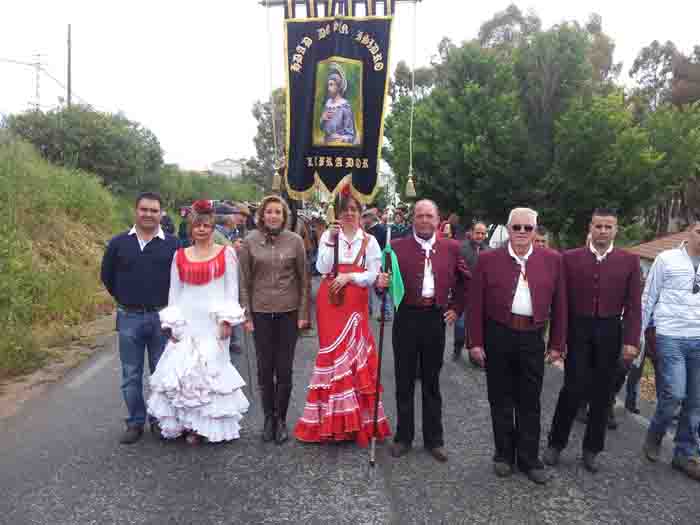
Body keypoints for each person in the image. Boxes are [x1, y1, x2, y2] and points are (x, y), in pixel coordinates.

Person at [469, 207, 566, 484]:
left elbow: (560, 305)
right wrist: (475, 341)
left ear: (535, 231)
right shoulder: (488, 260)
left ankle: (529, 458)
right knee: (500, 399)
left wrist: (558, 343)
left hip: (532, 338)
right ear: (508, 230)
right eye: (516, 227)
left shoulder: (552, 260)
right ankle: (503, 455)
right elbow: (475, 304)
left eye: (528, 228)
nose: (522, 233)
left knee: (530, 401)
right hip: (498, 335)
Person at [543, 208, 641, 473]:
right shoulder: (570, 259)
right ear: (590, 228)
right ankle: (555, 443)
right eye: (599, 226)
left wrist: (632, 340)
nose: (603, 231)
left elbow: (633, 306)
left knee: (603, 393)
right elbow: (560, 303)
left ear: (615, 230)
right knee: (572, 388)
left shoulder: (629, 261)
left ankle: (591, 449)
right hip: (579, 328)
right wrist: (558, 340)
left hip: (611, 330)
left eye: (608, 227)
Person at [146, 200, 249, 445]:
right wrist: (172, 323)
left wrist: (227, 321)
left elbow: (231, 290)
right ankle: (185, 424)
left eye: (206, 225)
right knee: (183, 371)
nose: (201, 229)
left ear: (212, 227)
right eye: (197, 226)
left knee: (210, 371)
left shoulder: (227, 253)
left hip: (212, 323)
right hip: (188, 320)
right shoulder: (179, 256)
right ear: (191, 229)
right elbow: (174, 292)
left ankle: (205, 427)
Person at [295, 186, 391, 446]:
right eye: (345, 210)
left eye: (353, 210)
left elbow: (374, 275)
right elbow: (321, 267)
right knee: (332, 356)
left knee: (353, 358)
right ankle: (329, 421)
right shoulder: (329, 234)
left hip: (355, 302)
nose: (349, 214)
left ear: (360, 214)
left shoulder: (370, 241)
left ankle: (355, 422)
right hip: (330, 301)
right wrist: (329, 240)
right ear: (337, 213)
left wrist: (350, 276)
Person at [387, 199, 468, 463]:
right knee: (404, 380)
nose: (424, 220)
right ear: (413, 219)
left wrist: (456, 307)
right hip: (406, 318)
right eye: (419, 215)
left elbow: (466, 281)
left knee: (432, 382)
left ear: (437, 220)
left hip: (435, 319)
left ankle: (434, 439)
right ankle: (403, 437)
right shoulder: (396, 248)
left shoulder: (452, 248)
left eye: (429, 216)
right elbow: (383, 283)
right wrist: (380, 282)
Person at [100, 192, 179, 444]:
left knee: (160, 374)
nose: (148, 214)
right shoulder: (118, 243)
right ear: (136, 211)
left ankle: (158, 420)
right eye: (144, 209)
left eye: (154, 210)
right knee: (131, 374)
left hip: (161, 318)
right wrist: (126, 298)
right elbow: (107, 277)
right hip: (129, 317)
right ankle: (135, 422)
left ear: (161, 213)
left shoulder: (174, 245)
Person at [238, 195, 309, 445]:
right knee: (264, 369)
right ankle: (268, 418)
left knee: (285, 370)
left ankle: (281, 419)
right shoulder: (250, 241)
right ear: (261, 215)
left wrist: (303, 315)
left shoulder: (295, 241)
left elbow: (304, 280)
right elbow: (243, 281)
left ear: (284, 216)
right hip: (260, 312)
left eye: (278, 212)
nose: (273, 216)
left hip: (288, 313)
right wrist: (246, 314)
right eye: (269, 212)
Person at [640, 218, 700, 482]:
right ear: (690, 231)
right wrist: (638, 334)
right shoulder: (666, 259)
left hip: (698, 338)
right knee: (675, 394)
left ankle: (684, 454)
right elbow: (649, 296)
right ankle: (655, 433)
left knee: (695, 402)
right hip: (670, 335)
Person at [454, 221, 489, 363]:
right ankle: (457, 348)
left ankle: (474, 355)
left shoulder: (489, 251)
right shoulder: (462, 248)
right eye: (477, 232)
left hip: (481, 297)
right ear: (471, 233)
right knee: (461, 326)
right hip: (464, 294)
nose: (480, 236)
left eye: (482, 233)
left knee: (477, 327)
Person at [320, 63, 356, 145]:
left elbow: (351, 135)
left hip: (340, 147)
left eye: (331, 85)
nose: (329, 88)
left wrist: (340, 138)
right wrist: (323, 119)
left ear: (338, 86)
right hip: (326, 145)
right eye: (328, 85)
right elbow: (322, 128)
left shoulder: (345, 106)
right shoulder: (328, 104)